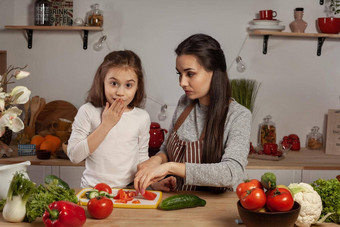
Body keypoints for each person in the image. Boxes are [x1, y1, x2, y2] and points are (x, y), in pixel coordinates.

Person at [134, 34, 251, 194]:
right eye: (179, 74)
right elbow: (166, 149)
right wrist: (156, 160)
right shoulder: (185, 103)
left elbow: (231, 173)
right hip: (177, 202)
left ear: (214, 72)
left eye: (190, 74)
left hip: (214, 209)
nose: (182, 82)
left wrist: (170, 167)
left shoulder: (238, 116)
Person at [68, 50, 151, 188]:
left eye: (128, 85)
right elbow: (74, 156)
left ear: (138, 87)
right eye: (114, 83)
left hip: (127, 192)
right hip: (92, 191)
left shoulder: (142, 117)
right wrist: (106, 125)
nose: (120, 92)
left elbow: (142, 158)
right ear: (102, 81)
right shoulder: (88, 111)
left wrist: (155, 181)